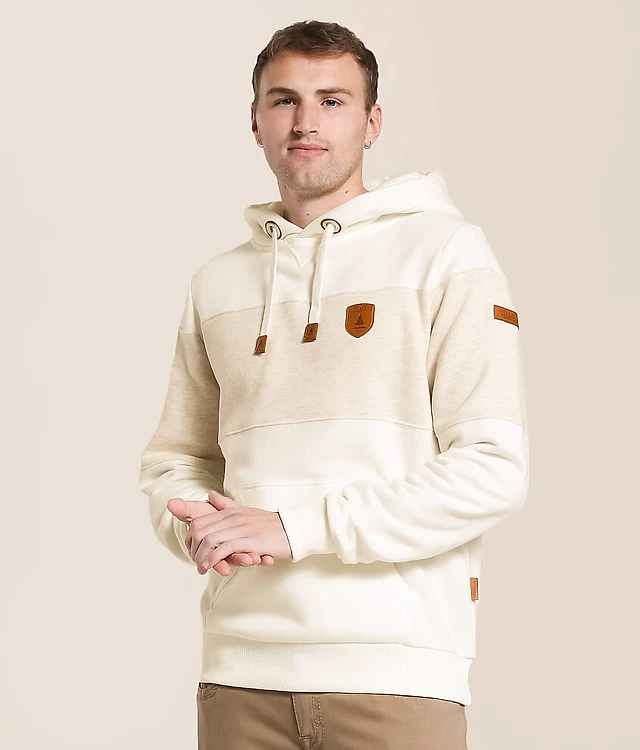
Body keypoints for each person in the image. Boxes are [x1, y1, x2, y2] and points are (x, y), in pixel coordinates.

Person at [139, 18, 529, 750]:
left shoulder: (445, 255)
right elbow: (175, 461)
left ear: (372, 122)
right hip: (238, 674)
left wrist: (295, 528)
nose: (306, 122)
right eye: (284, 99)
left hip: (396, 674)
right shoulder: (217, 283)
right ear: (255, 121)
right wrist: (195, 524)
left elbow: (492, 469)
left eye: (332, 100)